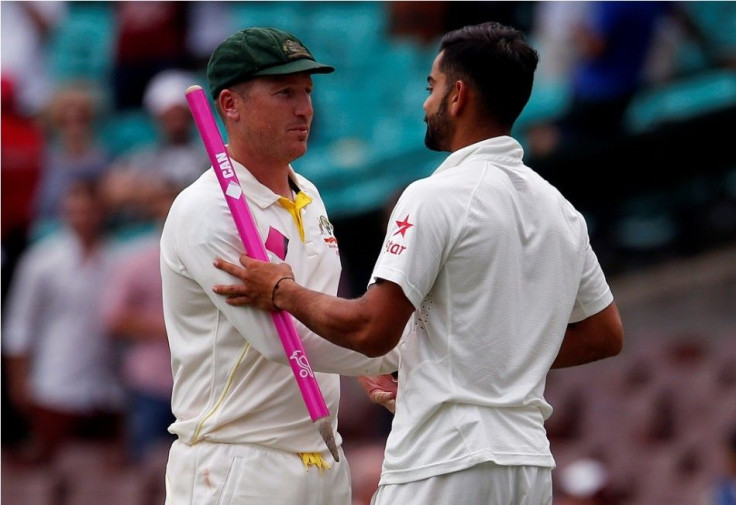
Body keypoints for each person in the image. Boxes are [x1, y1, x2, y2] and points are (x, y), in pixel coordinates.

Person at [212, 22, 624, 505]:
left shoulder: (432, 197)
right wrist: (478, 357)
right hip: (528, 466)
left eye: (432, 88)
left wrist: (282, 290)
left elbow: (372, 330)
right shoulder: (561, 211)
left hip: (443, 460)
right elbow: (604, 334)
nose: (425, 103)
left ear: (458, 96)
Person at [159, 27, 401, 505]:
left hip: (321, 452)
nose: (305, 108)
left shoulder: (309, 194)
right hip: (236, 463)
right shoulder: (207, 210)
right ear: (230, 105)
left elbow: (317, 308)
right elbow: (280, 341)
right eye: (285, 92)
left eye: (307, 92)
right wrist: (394, 347)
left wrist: (359, 359)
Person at [2, 176, 124, 465]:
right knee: (47, 474)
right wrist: (19, 383)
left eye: (88, 210)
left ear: (101, 213)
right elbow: (19, 326)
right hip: (52, 384)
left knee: (96, 477)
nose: (82, 218)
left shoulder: (115, 259)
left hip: (103, 387)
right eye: (75, 210)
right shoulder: (42, 260)